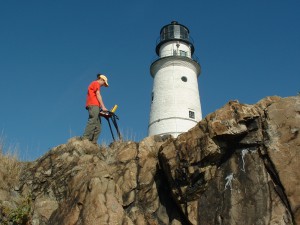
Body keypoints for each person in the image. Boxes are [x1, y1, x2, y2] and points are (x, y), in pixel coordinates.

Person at [82, 73, 109, 144]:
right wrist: (103, 106)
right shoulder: (96, 83)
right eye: (104, 83)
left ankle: (93, 142)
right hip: (93, 105)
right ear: (101, 79)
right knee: (93, 121)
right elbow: (98, 94)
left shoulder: (95, 84)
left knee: (98, 127)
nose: (103, 85)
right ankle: (85, 138)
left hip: (96, 106)